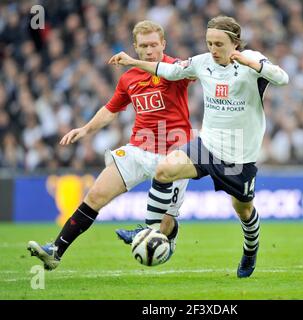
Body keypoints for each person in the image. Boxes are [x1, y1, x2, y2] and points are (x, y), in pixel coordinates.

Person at [109, 15, 289, 278]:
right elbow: (170, 71)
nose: (213, 50)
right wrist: (133, 62)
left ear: (234, 43)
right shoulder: (202, 62)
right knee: (164, 170)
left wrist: (252, 62)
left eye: (219, 44)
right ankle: (149, 231)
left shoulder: (251, 59)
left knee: (243, 210)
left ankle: (250, 250)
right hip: (207, 145)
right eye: (209, 43)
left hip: (239, 156)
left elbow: (282, 77)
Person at [27, 20, 194, 270]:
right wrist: (85, 129)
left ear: (163, 45)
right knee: (95, 195)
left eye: (154, 45)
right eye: (144, 46)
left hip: (174, 155)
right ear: (136, 47)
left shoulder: (175, 69)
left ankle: (168, 237)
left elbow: (195, 72)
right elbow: (110, 110)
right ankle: (56, 252)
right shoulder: (129, 79)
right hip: (138, 149)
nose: (150, 50)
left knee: (165, 224)